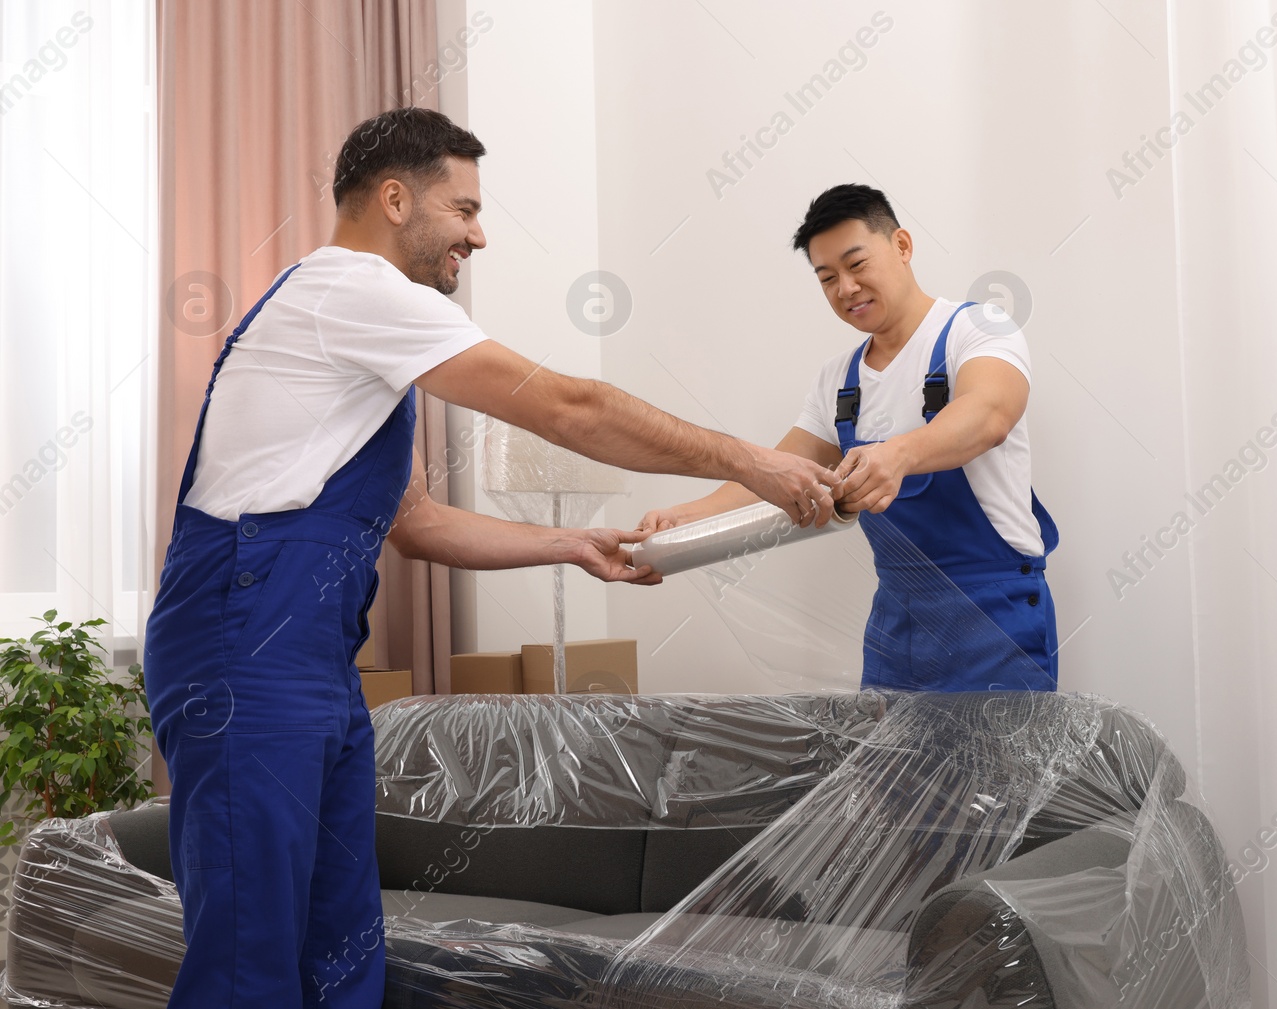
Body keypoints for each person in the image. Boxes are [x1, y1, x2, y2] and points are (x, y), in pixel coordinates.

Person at [142, 107, 840, 1008]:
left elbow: (418, 521)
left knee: (343, 946)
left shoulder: (368, 340)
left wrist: (570, 544)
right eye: (464, 208)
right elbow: (570, 405)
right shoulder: (350, 291)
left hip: (309, 660)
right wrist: (751, 459)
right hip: (243, 649)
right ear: (395, 199)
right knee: (250, 958)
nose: (480, 233)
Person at [639, 183, 1058, 693]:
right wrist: (687, 517)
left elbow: (990, 413)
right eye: (827, 278)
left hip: (992, 617)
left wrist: (898, 455)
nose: (846, 288)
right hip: (896, 624)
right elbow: (773, 469)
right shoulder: (841, 380)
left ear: (902, 246)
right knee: (891, 774)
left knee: (996, 774)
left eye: (857, 265)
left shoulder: (976, 329)